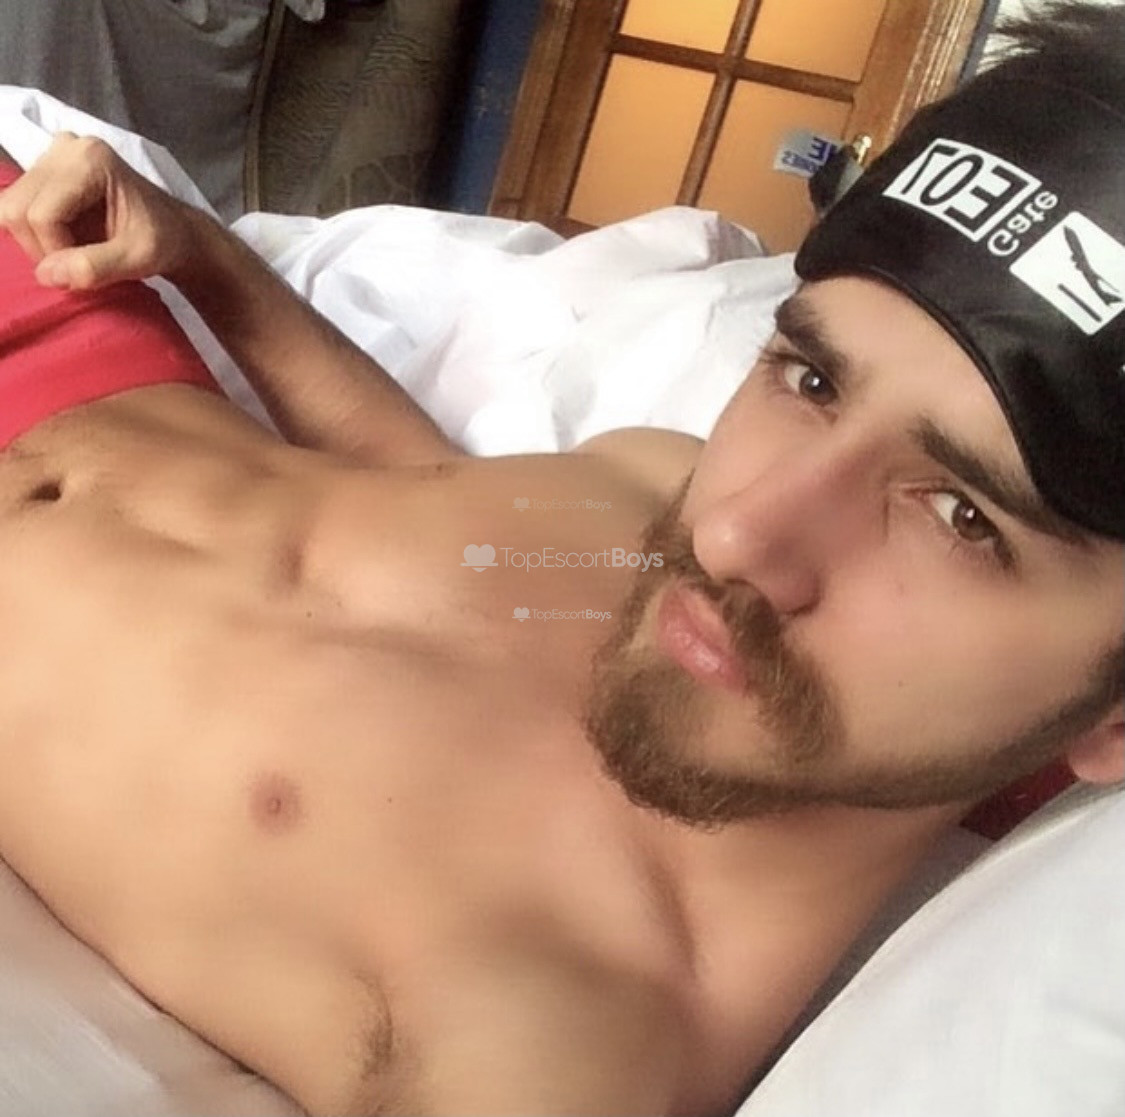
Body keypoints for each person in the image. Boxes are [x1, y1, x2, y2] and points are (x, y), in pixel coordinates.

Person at [0, 1, 1122, 1112]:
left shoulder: (558, 1041)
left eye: (963, 516)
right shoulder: (685, 489)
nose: (731, 534)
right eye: (813, 378)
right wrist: (206, 264)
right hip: (73, 314)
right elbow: (437, 499)